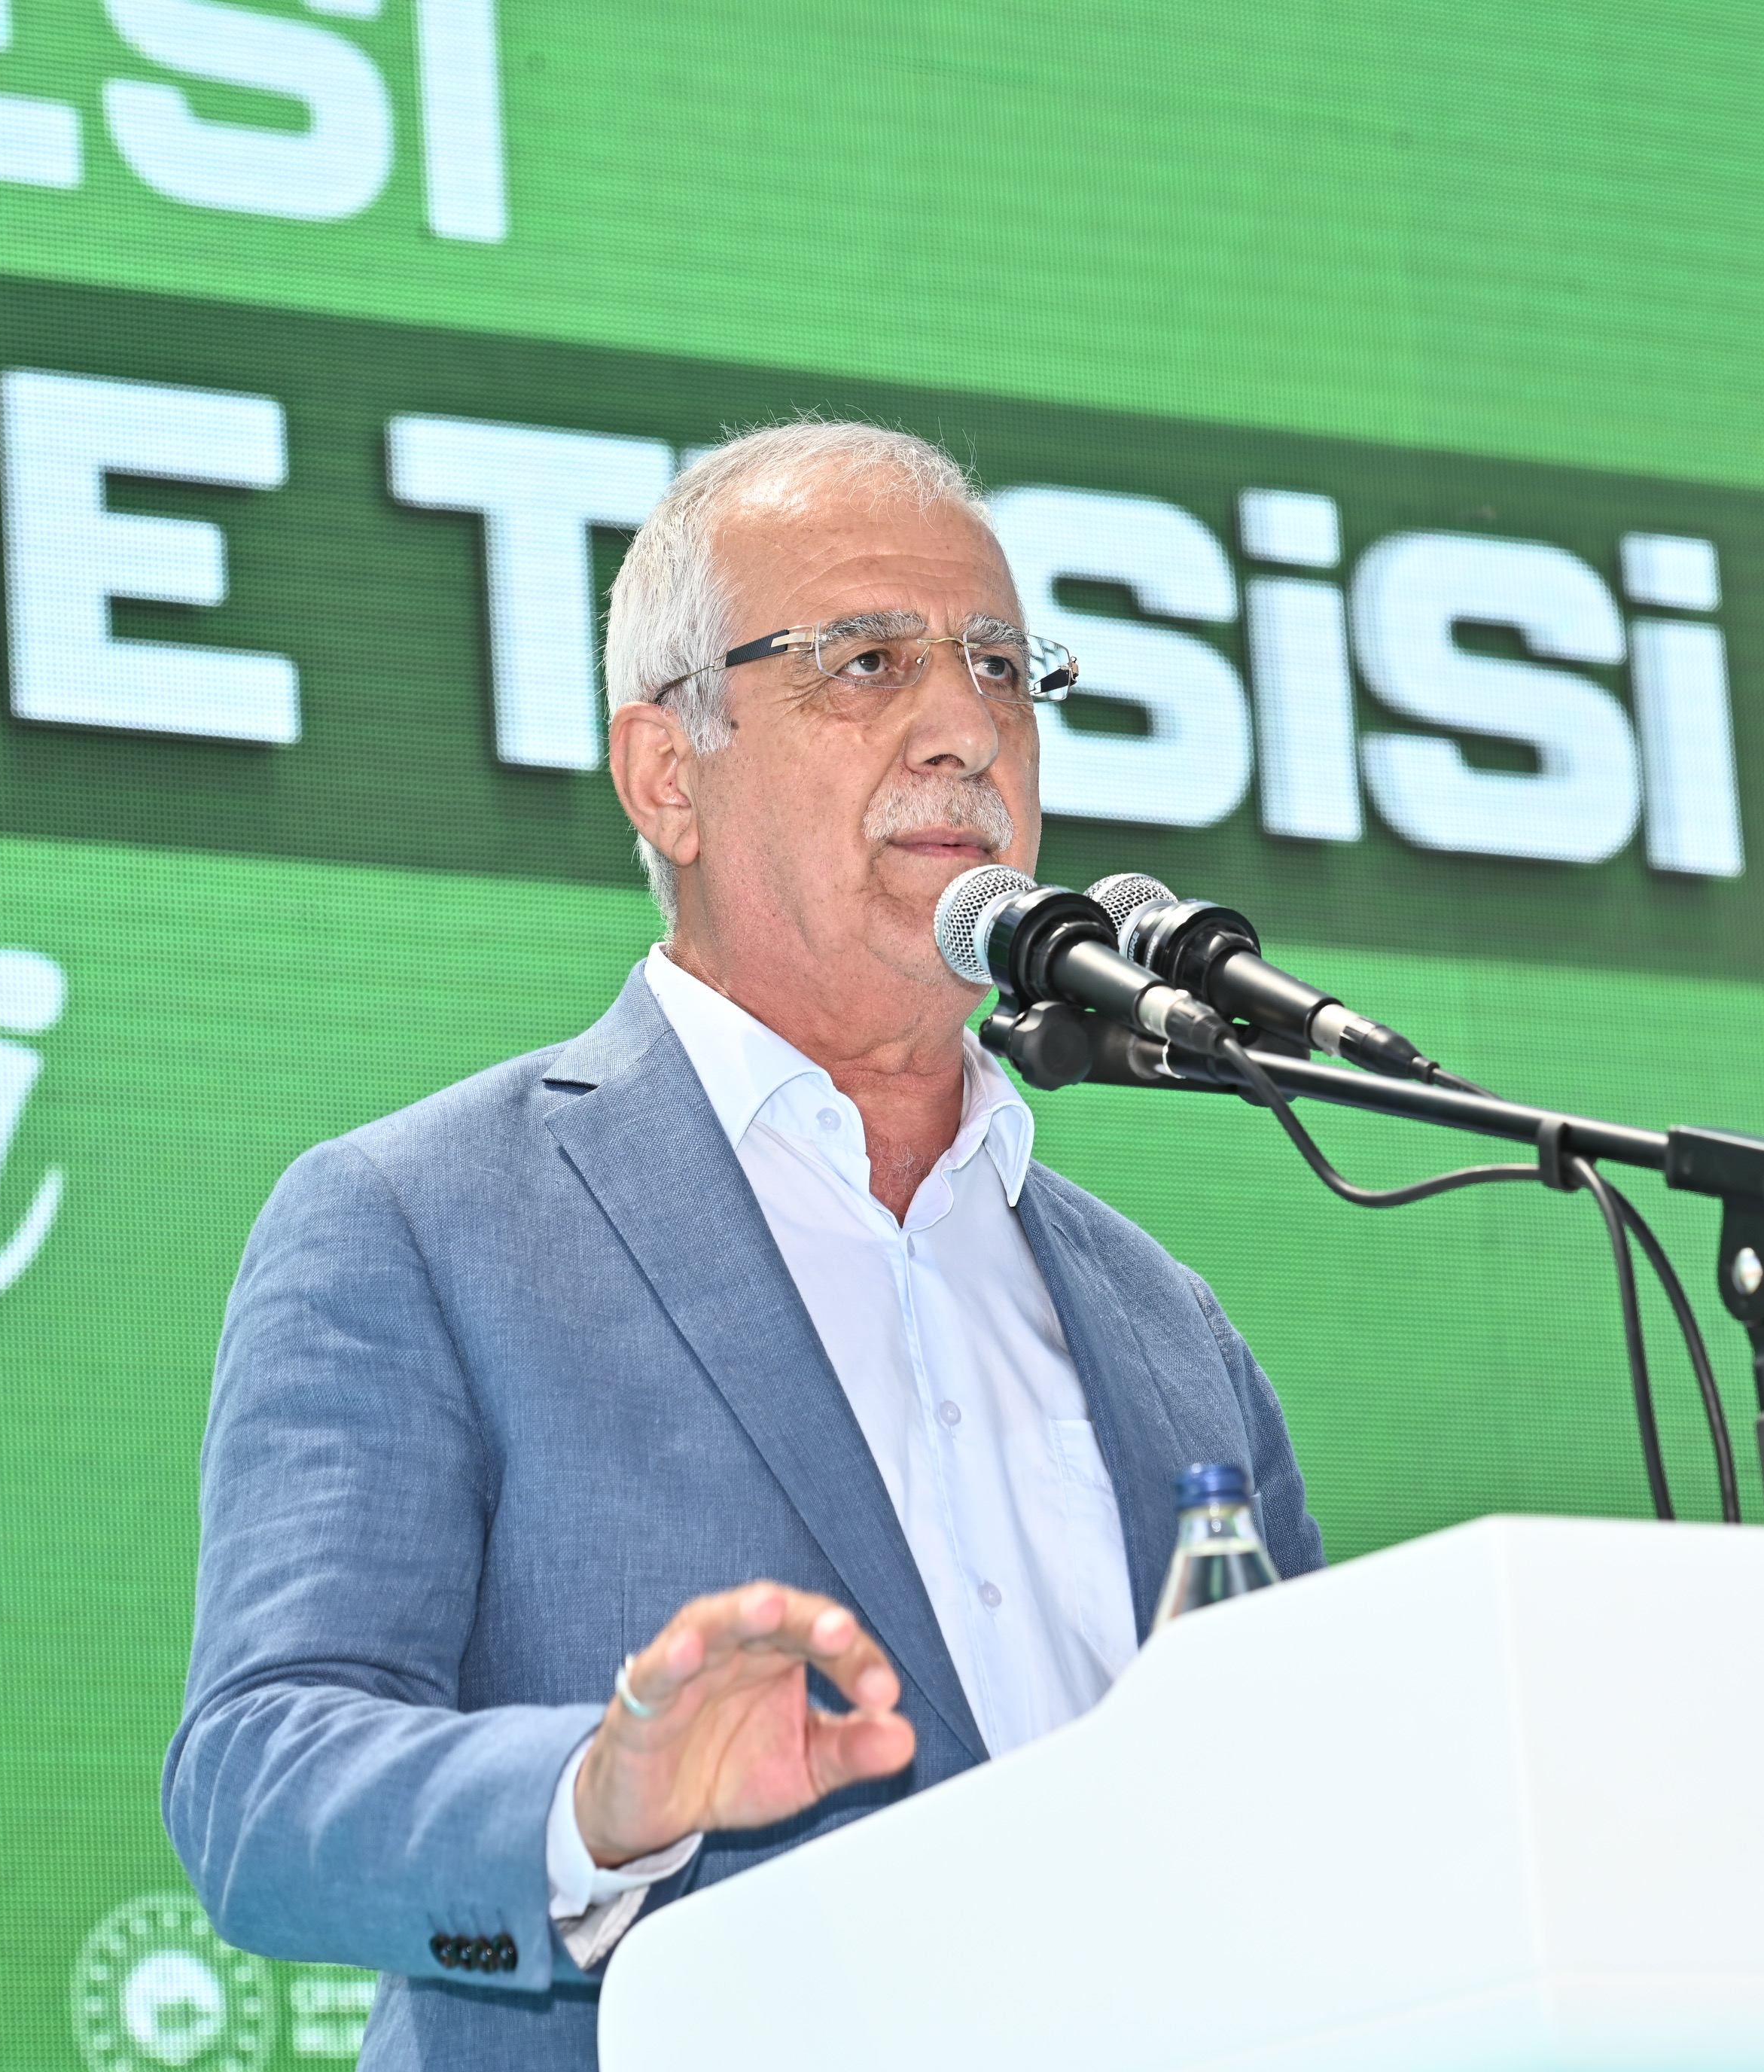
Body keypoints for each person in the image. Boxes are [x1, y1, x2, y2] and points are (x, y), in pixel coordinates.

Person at [163, 422, 1322, 2070]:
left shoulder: (1164, 1319)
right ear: (666, 774)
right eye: (868, 661)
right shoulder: (420, 1222)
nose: (966, 728)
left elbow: (1314, 1802)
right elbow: (262, 1784)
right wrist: (597, 1797)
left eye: (1002, 667)